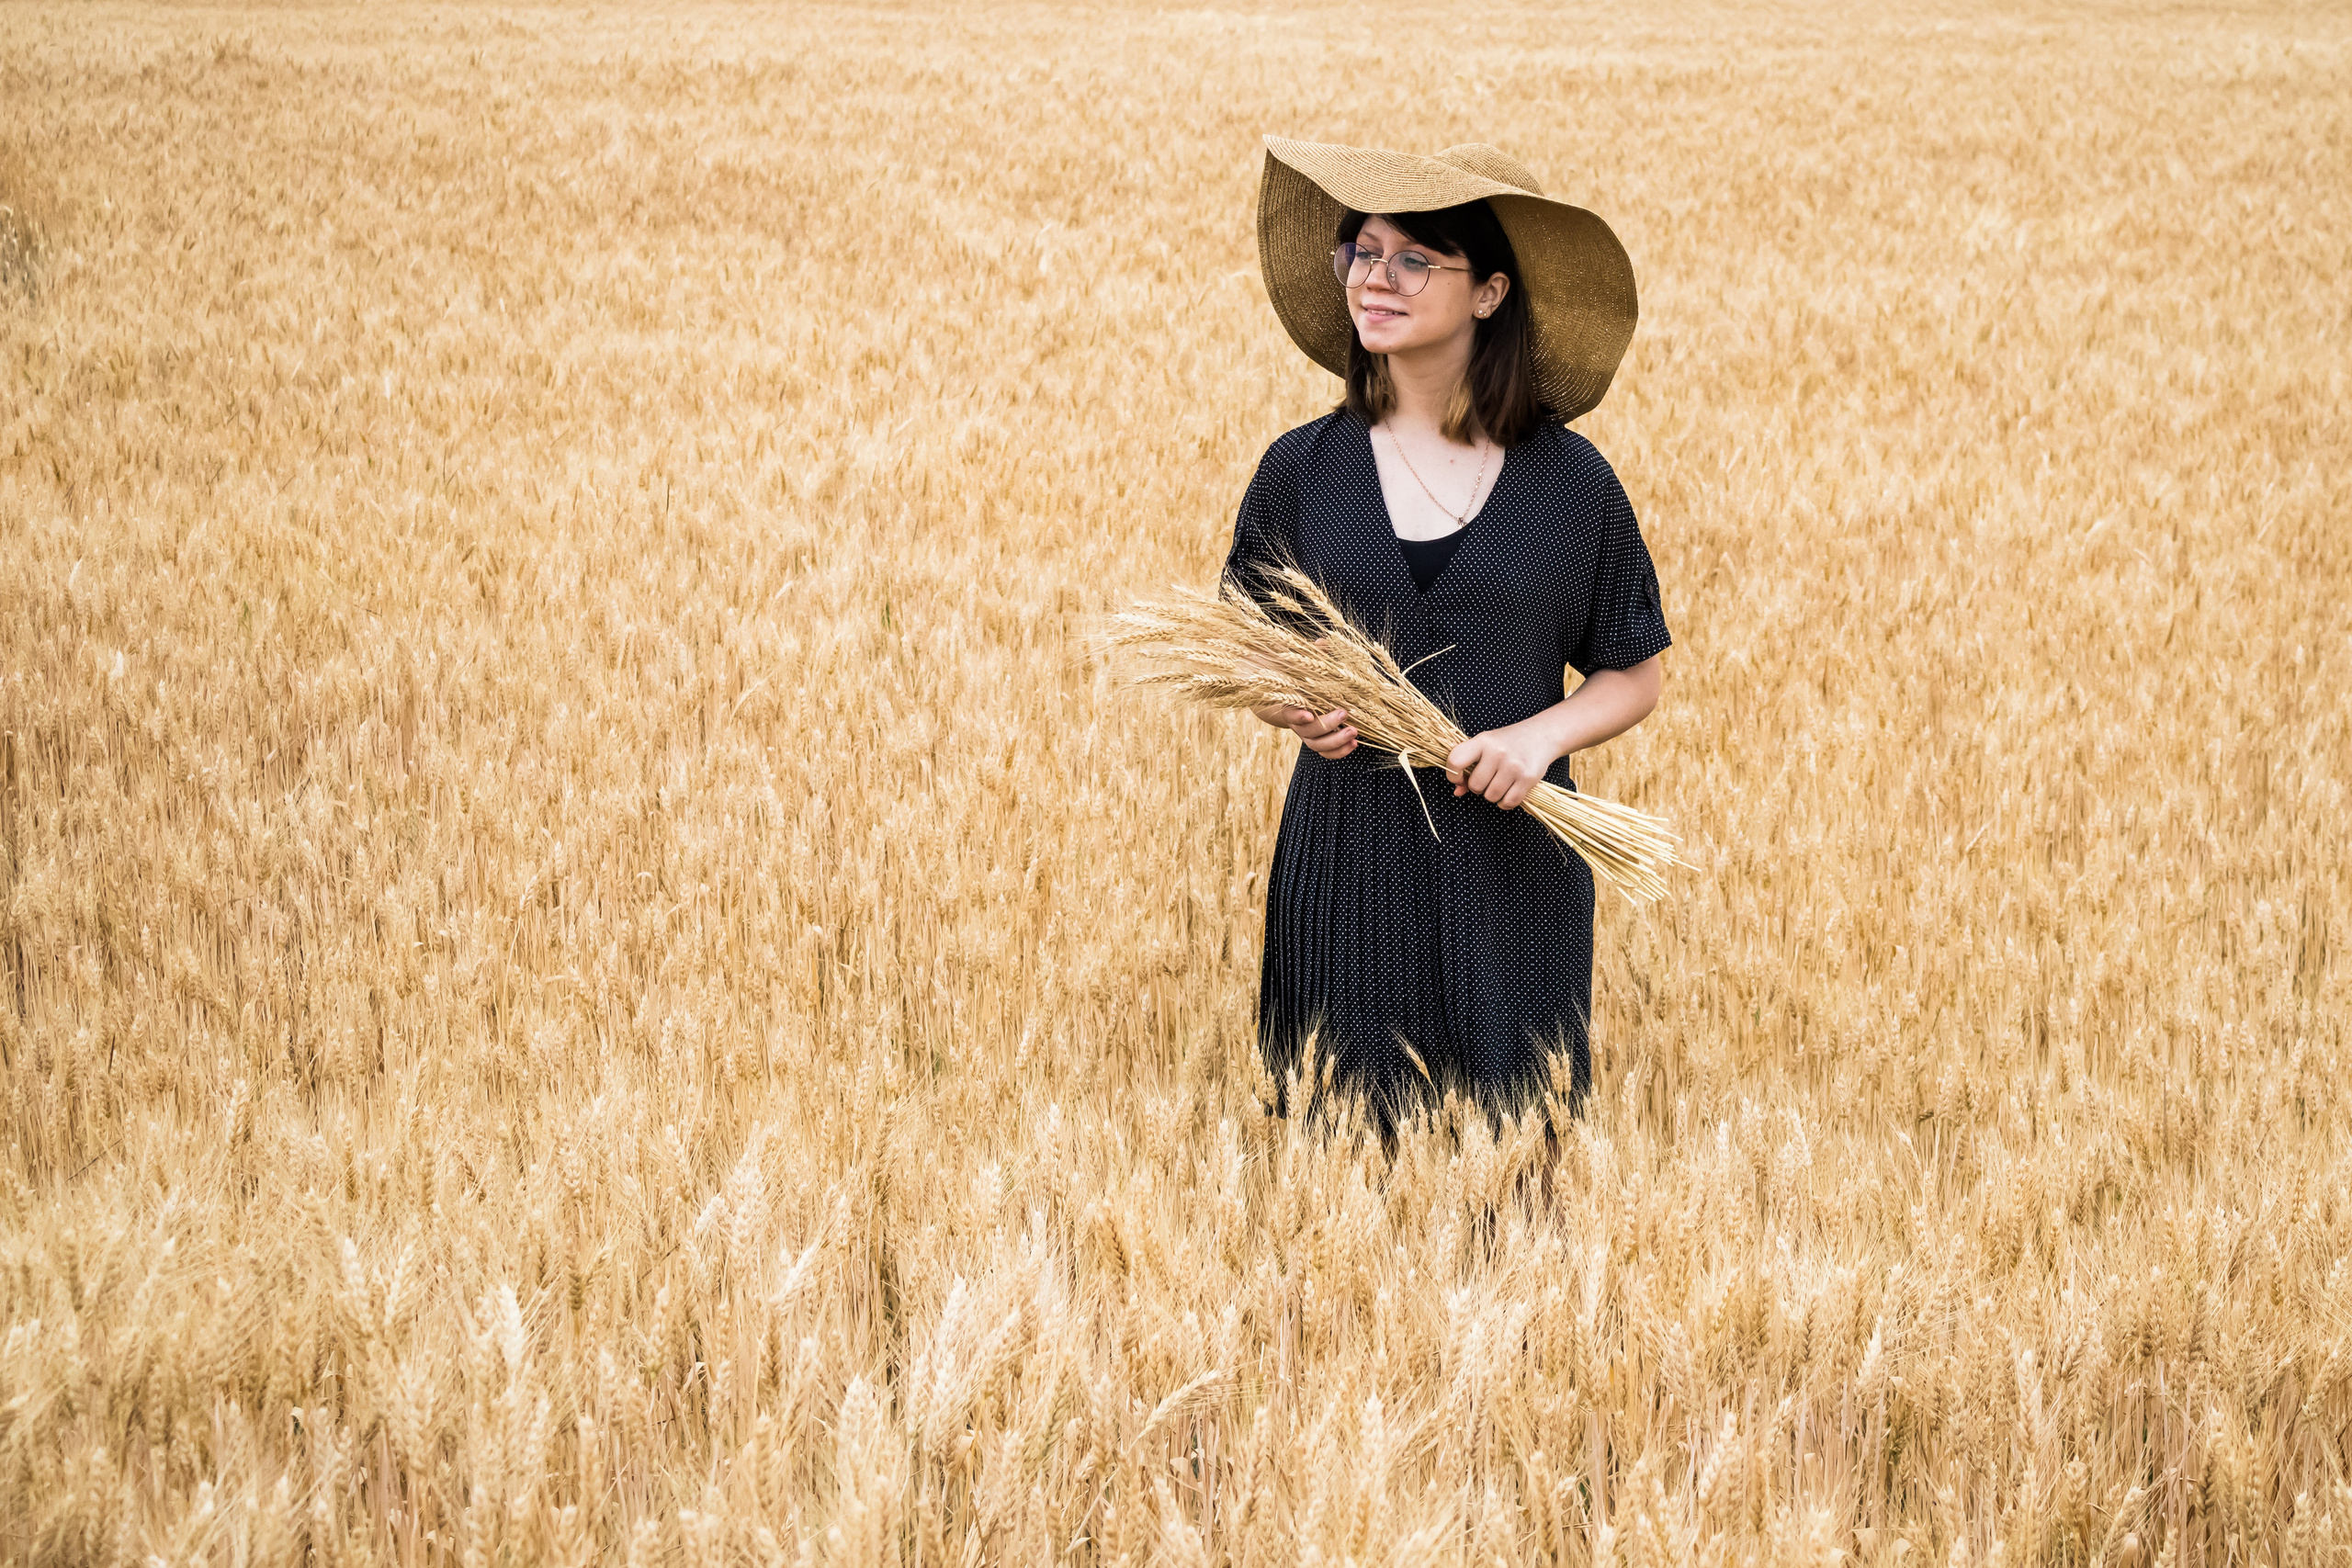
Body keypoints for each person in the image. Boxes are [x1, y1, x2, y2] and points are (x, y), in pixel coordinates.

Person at [1224, 136, 1671, 1138]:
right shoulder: (1301, 470)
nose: (1373, 280)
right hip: (1347, 857)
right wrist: (1287, 701)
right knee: (1333, 1160)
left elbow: (1632, 673)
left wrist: (1539, 739)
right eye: (1359, 254)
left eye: (1411, 259)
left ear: (1489, 293)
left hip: (1513, 868)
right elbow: (1243, 646)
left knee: (1514, 1167)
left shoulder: (1572, 487)